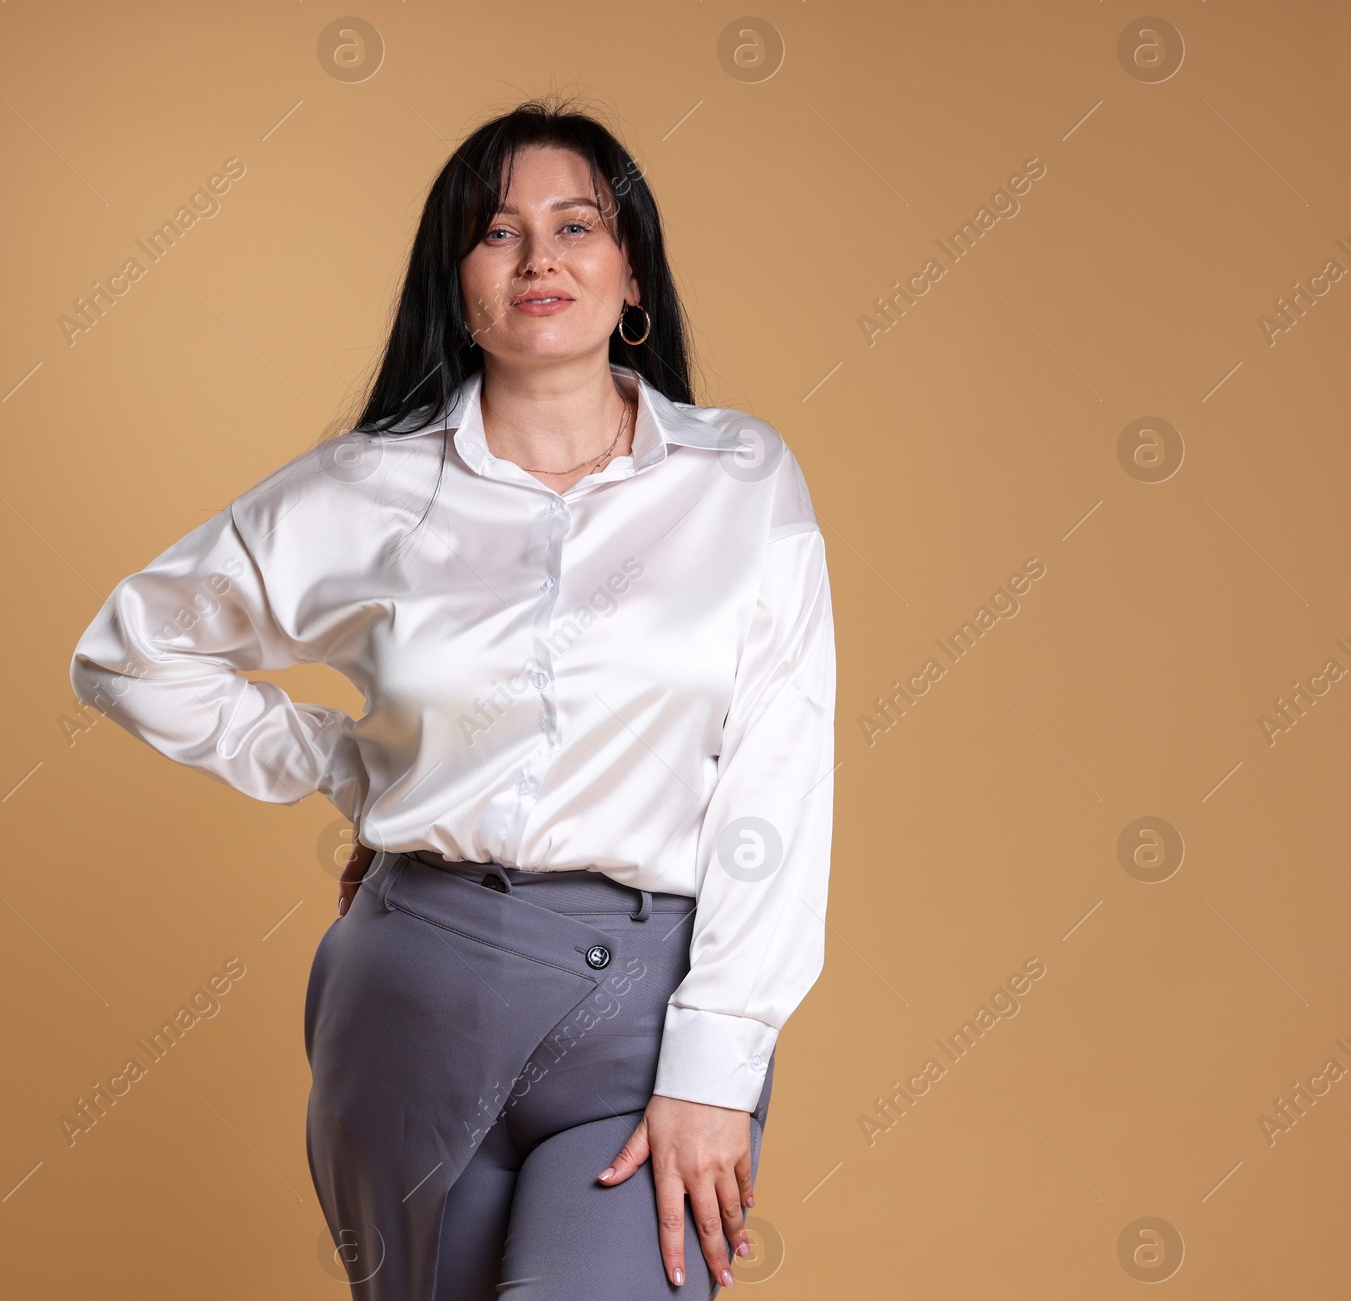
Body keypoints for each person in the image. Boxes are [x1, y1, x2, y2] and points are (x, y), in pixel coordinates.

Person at [68, 96, 836, 1300]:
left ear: (630, 272)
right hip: (409, 995)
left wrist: (716, 1063)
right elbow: (127, 651)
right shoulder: (367, 489)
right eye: (497, 231)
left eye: (577, 224)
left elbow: (780, 773)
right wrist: (350, 762)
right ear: (457, 278)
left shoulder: (741, 481)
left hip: (646, 1006)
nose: (540, 257)